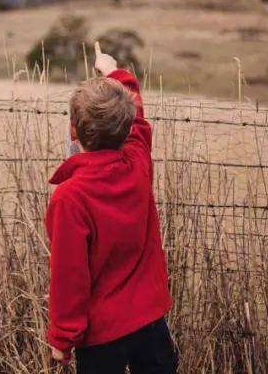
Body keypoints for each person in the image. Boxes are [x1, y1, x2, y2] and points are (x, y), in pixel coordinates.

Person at [45, 43, 176, 373]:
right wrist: (114, 71)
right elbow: (137, 115)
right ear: (128, 126)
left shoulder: (70, 197)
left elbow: (69, 277)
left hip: (102, 336)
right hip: (151, 320)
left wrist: (62, 339)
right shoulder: (137, 161)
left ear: (74, 129)